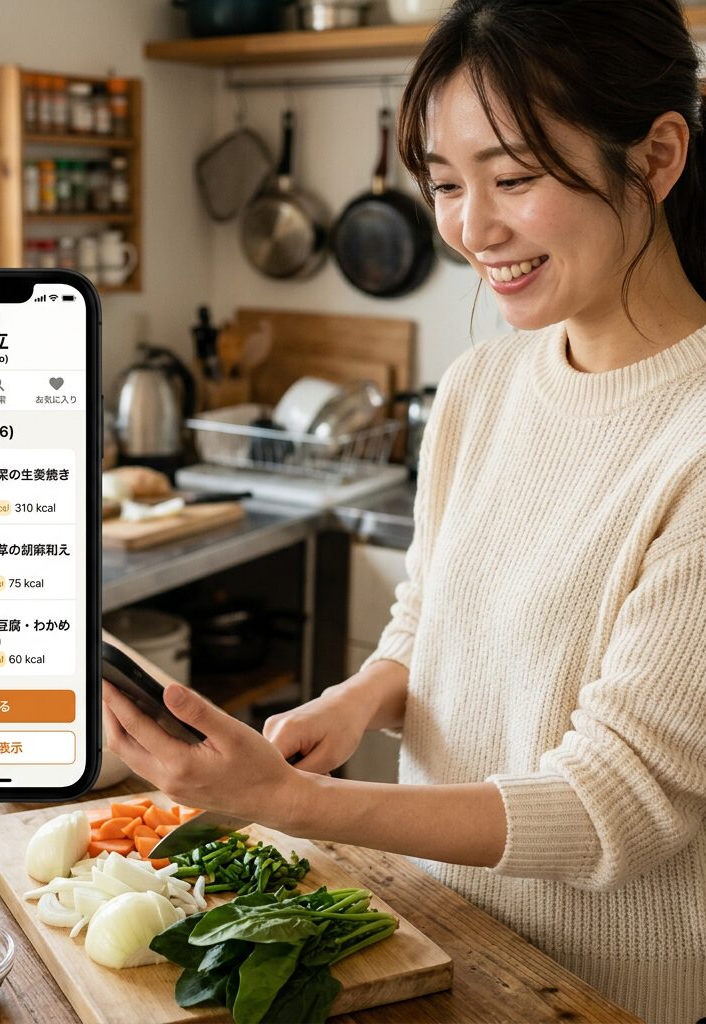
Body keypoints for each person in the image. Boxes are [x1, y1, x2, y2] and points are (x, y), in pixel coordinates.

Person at [102, 1, 706, 1020]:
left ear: (655, 156)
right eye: (444, 183)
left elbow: (616, 808)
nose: (471, 226)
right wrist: (357, 699)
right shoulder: (478, 385)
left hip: (602, 995)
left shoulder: (690, 439)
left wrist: (291, 803)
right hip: (438, 935)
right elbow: (430, 622)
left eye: (512, 178)